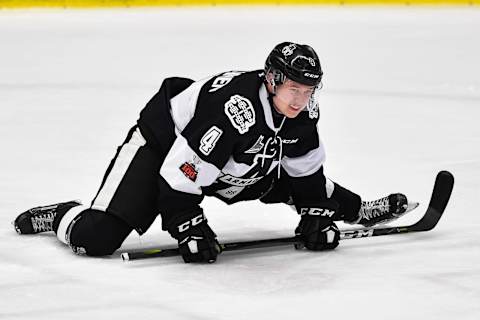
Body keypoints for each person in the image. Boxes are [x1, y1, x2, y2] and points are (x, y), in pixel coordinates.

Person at [13, 42, 409, 263]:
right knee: (96, 238)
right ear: (271, 80)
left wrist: (316, 211)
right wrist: (187, 224)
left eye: (308, 92)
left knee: (287, 175)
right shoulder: (232, 110)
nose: (300, 100)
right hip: (164, 148)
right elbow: (179, 173)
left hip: (224, 161)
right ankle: (63, 214)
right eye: (293, 89)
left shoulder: (301, 114)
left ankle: (358, 210)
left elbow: (304, 175)